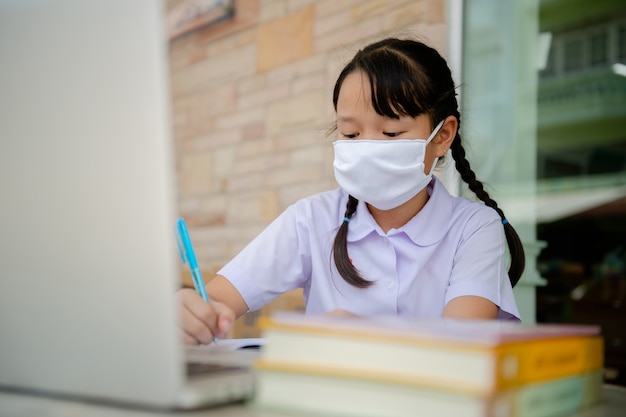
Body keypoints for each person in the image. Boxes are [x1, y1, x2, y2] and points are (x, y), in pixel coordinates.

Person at [178, 37, 526, 345]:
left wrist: (367, 335)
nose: (368, 148)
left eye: (391, 133)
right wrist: (191, 312)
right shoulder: (312, 219)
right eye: (351, 135)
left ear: (443, 136)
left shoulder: (475, 228)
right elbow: (219, 299)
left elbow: (464, 344)